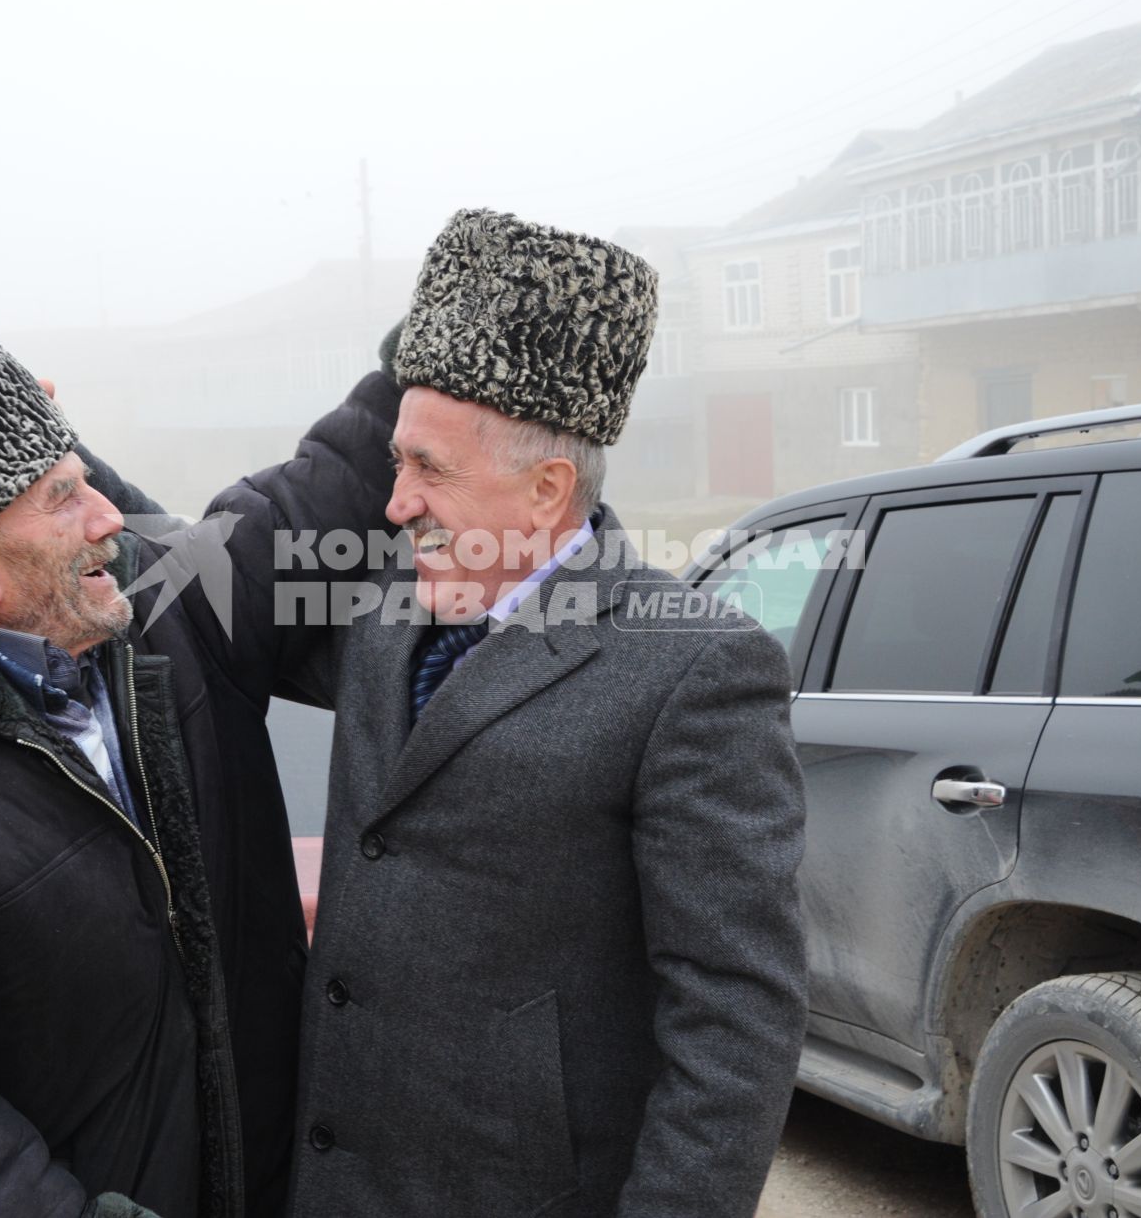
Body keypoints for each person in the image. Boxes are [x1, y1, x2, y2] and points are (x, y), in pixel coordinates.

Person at [94, 208, 810, 1217]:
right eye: (398, 462)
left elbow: (736, 1017)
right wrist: (72, 479)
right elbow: (211, 582)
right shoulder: (387, 601)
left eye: (430, 469)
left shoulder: (691, 665)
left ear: (547, 487)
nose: (395, 502)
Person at [0, 331, 399, 1218]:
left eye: (86, 478)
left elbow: (327, 489)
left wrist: (441, 342)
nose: (108, 516)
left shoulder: (169, 624)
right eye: (63, 497)